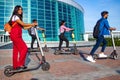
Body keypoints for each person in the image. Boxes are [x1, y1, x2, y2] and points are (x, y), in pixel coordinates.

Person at [9, 5, 38, 70]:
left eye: (21, 9)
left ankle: (15, 66)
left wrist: (31, 26)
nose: (21, 11)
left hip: (17, 36)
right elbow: (23, 24)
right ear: (16, 10)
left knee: (16, 51)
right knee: (24, 48)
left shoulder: (18, 18)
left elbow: (24, 27)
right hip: (15, 35)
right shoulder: (15, 16)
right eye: (19, 9)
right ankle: (20, 64)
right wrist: (32, 24)